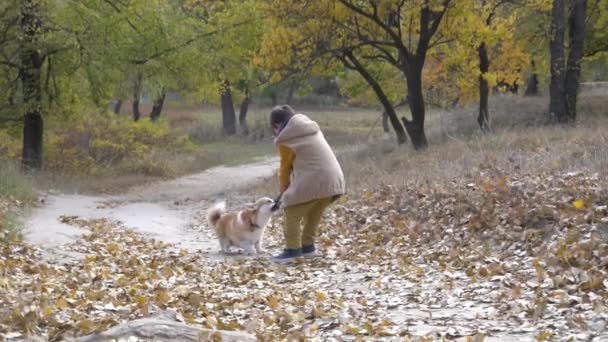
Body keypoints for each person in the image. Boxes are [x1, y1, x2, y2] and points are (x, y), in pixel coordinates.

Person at [270, 105, 345, 263]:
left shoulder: (287, 139)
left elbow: (285, 168)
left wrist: (284, 189)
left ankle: (292, 251)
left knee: (291, 211)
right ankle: (308, 248)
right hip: (334, 180)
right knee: (314, 213)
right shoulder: (310, 129)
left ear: (276, 125)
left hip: (315, 179)